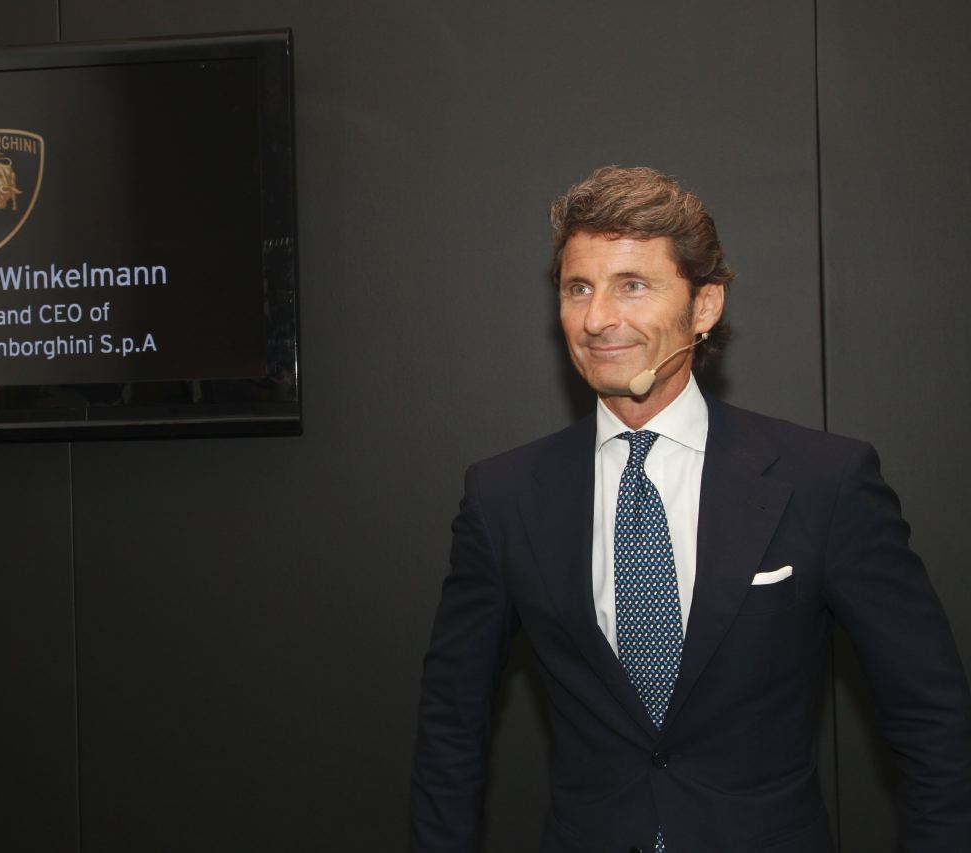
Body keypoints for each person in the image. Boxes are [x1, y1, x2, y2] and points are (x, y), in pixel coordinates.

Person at [410, 166, 971, 853]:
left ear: (703, 308)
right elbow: (452, 724)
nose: (596, 318)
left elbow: (931, 719)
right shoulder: (503, 496)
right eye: (578, 288)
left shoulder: (824, 481)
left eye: (632, 285)